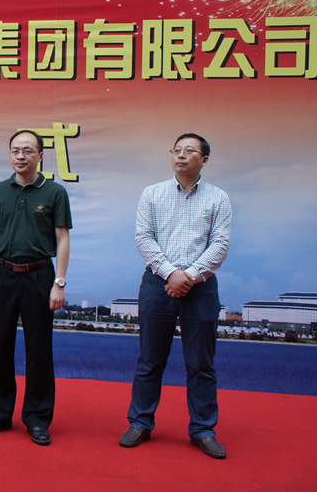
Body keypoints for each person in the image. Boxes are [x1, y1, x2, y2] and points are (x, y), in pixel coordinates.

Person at [119, 133, 232, 459]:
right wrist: (171, 274)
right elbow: (143, 237)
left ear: (204, 160)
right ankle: (140, 422)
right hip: (158, 284)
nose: (181, 155)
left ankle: (203, 429)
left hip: (201, 288)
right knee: (149, 359)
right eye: (177, 150)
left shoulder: (219, 198)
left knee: (201, 363)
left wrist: (190, 276)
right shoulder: (152, 194)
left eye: (189, 151)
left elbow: (220, 244)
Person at [0, 130, 71, 445]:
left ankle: (37, 418)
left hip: (40, 275)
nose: (20, 156)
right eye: (15, 150)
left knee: (39, 349)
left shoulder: (55, 192)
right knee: (0, 346)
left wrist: (59, 283)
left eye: (28, 150)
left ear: (40, 156)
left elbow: (62, 239)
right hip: (2, 274)